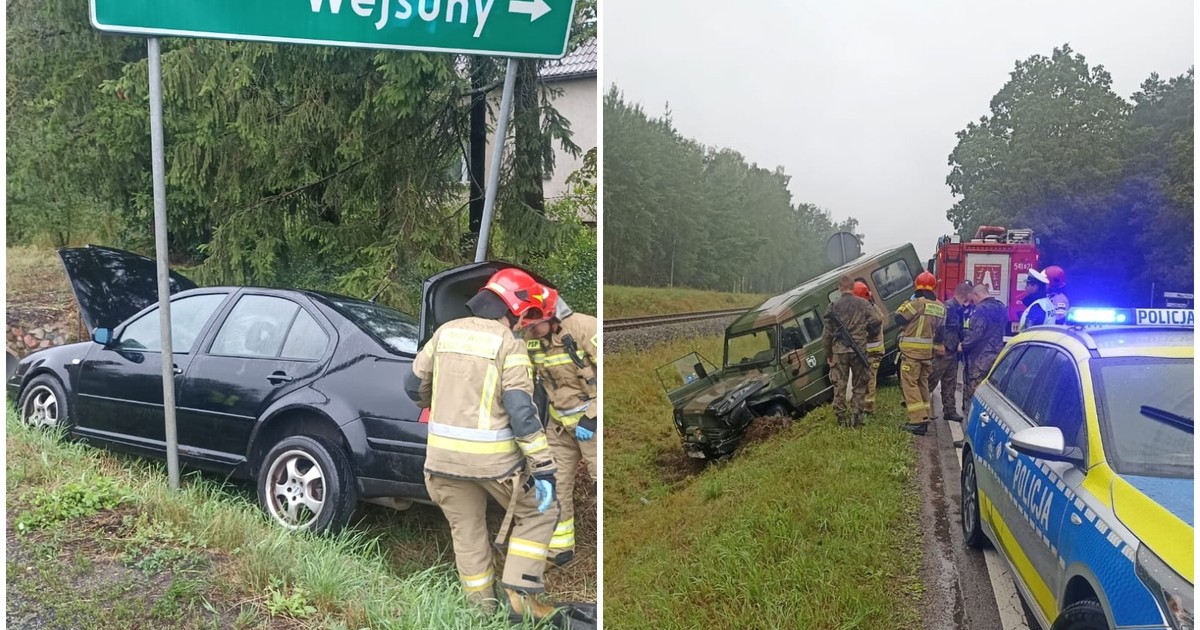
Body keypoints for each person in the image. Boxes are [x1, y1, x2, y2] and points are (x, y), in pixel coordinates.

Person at [404, 268, 562, 623]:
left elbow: (413, 387)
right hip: (494, 465)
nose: (524, 323)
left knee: (468, 532)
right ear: (514, 307)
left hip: (442, 463)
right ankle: (520, 595)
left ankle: (481, 613)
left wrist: (438, 399)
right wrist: (544, 467)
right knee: (541, 512)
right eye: (525, 314)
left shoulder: (444, 334)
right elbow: (522, 413)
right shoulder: (509, 344)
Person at [523, 289, 598, 568]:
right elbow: (528, 383)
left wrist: (593, 416)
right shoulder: (532, 342)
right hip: (559, 426)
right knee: (553, 485)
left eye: (533, 325)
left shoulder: (585, 328)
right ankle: (560, 550)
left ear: (550, 315)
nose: (529, 332)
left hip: (590, 422)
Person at [822, 275, 882, 428]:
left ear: (839, 288)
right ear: (852, 287)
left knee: (839, 384)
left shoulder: (833, 306)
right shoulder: (863, 303)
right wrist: (868, 333)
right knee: (860, 383)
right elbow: (877, 320)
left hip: (839, 351)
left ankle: (841, 418)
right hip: (859, 350)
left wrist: (828, 353)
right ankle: (857, 416)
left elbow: (827, 334)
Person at [894, 271, 946, 436]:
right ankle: (925, 415)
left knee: (910, 384)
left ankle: (917, 421)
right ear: (933, 287)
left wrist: (906, 303)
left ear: (916, 286)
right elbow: (941, 332)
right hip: (927, 354)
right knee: (922, 384)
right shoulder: (941, 307)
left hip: (911, 353)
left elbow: (899, 318)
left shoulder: (916, 303)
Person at [960, 283, 1008, 414]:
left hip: (980, 358)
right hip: (997, 356)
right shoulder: (1001, 307)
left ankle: (973, 417)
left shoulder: (980, 309)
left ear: (977, 294)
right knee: (992, 392)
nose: (973, 303)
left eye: (973, 299)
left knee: (975, 391)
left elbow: (976, 333)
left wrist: (963, 345)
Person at [928, 281, 972, 423]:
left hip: (952, 350)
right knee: (931, 379)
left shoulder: (958, 308)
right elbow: (939, 327)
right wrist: (939, 344)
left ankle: (949, 410)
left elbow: (957, 329)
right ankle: (921, 410)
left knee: (950, 382)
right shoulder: (948, 307)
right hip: (944, 350)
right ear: (967, 294)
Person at [852, 281, 886, 414]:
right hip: (866, 352)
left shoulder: (872, 313)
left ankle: (868, 407)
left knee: (870, 379)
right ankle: (861, 404)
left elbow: (872, 332)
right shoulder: (869, 309)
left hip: (872, 352)